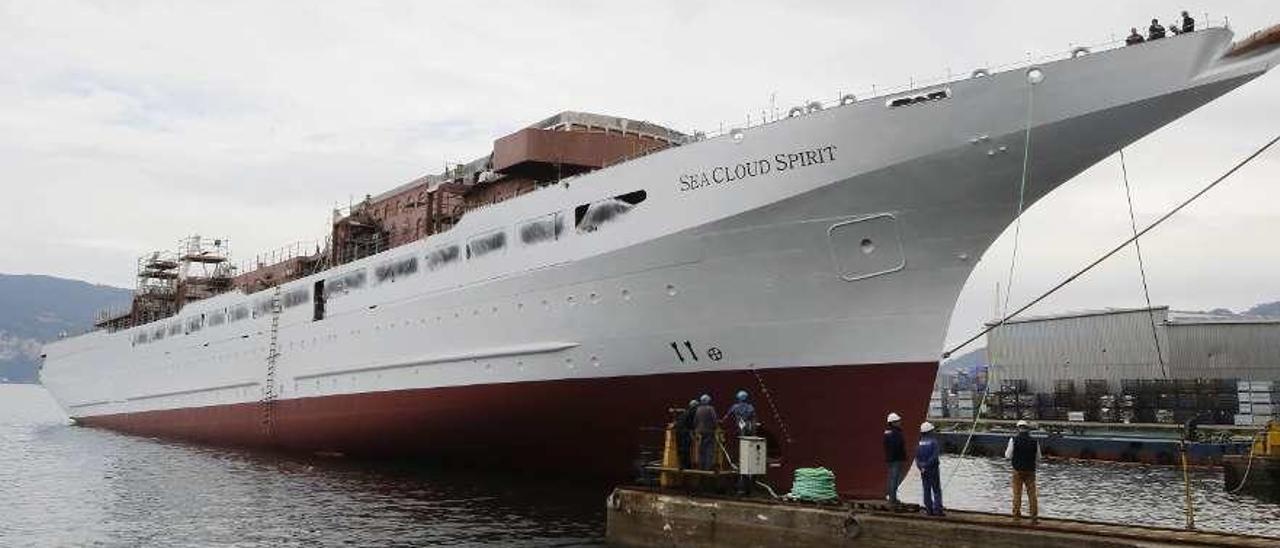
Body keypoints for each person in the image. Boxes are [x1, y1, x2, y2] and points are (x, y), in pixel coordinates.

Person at [1004, 420, 1041, 522]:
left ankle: (1016, 516)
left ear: (1018, 428)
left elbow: (1007, 455)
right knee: (1032, 494)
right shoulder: (1035, 441)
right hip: (1030, 471)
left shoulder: (1013, 440)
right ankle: (1034, 516)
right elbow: (1039, 457)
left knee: (1017, 494)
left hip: (1017, 470)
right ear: (1027, 429)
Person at [916, 421, 944, 516]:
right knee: (936, 489)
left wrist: (921, 467)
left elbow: (917, 458)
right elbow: (934, 456)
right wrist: (927, 465)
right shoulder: (933, 442)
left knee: (926, 489)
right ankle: (938, 510)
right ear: (929, 431)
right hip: (932, 469)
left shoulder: (919, 443)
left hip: (923, 470)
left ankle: (929, 510)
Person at [883, 412, 907, 504]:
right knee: (895, 479)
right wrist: (901, 456)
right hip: (896, 459)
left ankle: (891, 497)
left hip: (889, 459)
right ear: (893, 422)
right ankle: (892, 499)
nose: (899, 422)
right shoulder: (896, 433)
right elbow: (897, 445)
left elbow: (886, 445)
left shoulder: (887, 432)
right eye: (898, 421)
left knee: (891, 478)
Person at [693, 394, 718, 470]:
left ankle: (701, 466)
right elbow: (714, 420)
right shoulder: (711, 409)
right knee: (709, 450)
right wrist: (715, 427)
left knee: (701, 450)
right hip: (709, 431)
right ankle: (708, 467)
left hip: (700, 432)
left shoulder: (698, 409)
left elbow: (695, 421)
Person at [674, 399, 698, 469]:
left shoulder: (685, 412)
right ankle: (687, 466)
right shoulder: (692, 412)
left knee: (681, 450)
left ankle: (682, 465)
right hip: (684, 433)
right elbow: (692, 424)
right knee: (686, 449)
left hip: (679, 432)